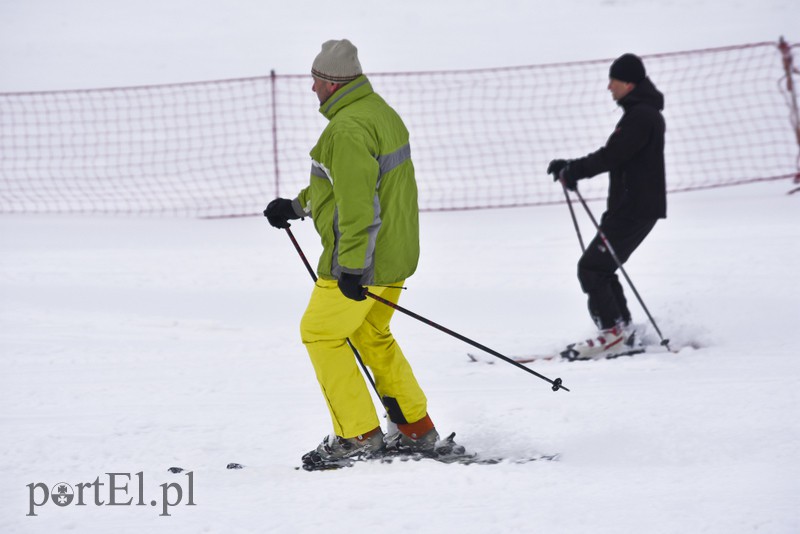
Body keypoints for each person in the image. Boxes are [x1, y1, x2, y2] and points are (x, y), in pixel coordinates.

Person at [264, 39, 451, 466]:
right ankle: (416, 429)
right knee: (372, 334)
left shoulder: (346, 129)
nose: (311, 88)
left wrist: (350, 267)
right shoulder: (378, 113)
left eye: (315, 80)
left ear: (331, 82)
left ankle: (358, 435)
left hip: (363, 260)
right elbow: (343, 187)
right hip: (394, 253)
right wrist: (294, 207)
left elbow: (357, 205)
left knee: (320, 333)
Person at [547, 53, 666, 359]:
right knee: (601, 267)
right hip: (632, 205)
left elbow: (613, 155)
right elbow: (615, 154)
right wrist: (571, 168)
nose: (609, 87)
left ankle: (612, 333)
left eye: (613, 80)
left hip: (634, 207)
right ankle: (621, 330)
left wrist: (573, 170)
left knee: (591, 267)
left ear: (628, 82)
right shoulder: (640, 113)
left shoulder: (641, 116)